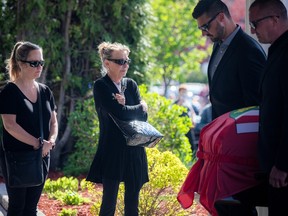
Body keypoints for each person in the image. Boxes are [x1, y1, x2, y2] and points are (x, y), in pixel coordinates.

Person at [192, 0, 267, 215]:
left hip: (239, 151)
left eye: (206, 26)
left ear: (222, 17)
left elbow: (255, 107)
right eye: (201, 29)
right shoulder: (218, 45)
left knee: (240, 207)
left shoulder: (247, 50)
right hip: (221, 149)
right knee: (222, 205)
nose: (204, 33)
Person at [86, 42, 149, 216]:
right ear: (107, 63)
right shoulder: (101, 86)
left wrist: (126, 106)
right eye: (120, 61)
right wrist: (140, 106)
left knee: (132, 204)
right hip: (112, 150)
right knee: (108, 203)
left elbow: (142, 118)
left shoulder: (131, 84)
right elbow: (119, 114)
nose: (125, 65)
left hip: (134, 149)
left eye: (127, 61)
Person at [0, 41, 58, 215]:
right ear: (20, 63)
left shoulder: (46, 91)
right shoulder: (9, 92)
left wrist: (50, 142)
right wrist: (38, 143)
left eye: (41, 62)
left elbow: (53, 122)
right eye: (34, 63)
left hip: (41, 157)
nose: (39, 66)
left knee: (31, 208)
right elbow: (10, 125)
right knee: (17, 207)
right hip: (17, 158)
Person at [249, 0, 288, 215]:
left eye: (255, 23)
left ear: (274, 19)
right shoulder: (277, 50)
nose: (253, 30)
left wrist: (283, 164)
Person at [174, 84, 197, 157]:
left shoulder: (188, 102)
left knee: (191, 142)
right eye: (182, 91)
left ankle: (193, 157)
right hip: (180, 126)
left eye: (185, 92)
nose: (184, 93)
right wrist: (180, 102)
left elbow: (192, 112)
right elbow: (174, 111)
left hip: (188, 126)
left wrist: (193, 120)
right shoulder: (176, 102)